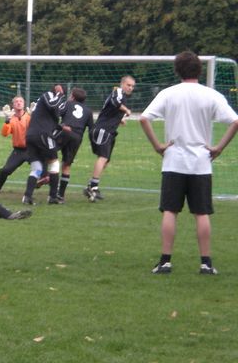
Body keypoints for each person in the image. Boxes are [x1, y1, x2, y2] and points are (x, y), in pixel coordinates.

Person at [140, 51, 238, 275]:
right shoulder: (210, 95)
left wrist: (158, 145)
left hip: (174, 161)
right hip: (201, 163)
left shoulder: (169, 93)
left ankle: (165, 261)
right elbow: (235, 121)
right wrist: (219, 148)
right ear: (199, 70)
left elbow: (145, 118)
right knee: (201, 213)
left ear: (177, 70)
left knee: (170, 211)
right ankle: (206, 263)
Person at [84, 75, 135, 202]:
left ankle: (90, 185)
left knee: (105, 161)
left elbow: (111, 110)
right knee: (103, 157)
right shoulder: (118, 91)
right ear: (122, 84)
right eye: (128, 85)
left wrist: (120, 119)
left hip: (110, 132)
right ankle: (93, 187)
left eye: (133, 86)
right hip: (102, 130)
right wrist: (126, 110)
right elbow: (115, 102)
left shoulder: (122, 97)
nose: (131, 88)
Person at [21, 84, 67, 205]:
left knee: (37, 168)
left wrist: (61, 127)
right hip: (42, 135)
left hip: (32, 135)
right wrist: (60, 94)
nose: (59, 90)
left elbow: (51, 117)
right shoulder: (48, 95)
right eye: (58, 89)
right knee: (54, 163)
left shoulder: (53, 103)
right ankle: (52, 197)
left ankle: (27, 196)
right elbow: (52, 105)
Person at [55, 87, 94, 203]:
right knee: (66, 165)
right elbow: (92, 128)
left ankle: (46, 178)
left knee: (49, 155)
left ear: (72, 96)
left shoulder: (67, 104)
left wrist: (60, 126)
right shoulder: (88, 111)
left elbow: (56, 113)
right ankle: (61, 195)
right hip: (77, 137)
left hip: (64, 132)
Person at [0, 95, 31, 192]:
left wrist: (34, 116)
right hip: (18, 151)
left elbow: (36, 129)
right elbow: (4, 134)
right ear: (13, 105)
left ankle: (54, 191)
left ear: (24, 104)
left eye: (21, 101)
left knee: (42, 169)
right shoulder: (11, 118)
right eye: (16, 101)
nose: (19, 103)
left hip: (31, 150)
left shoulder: (29, 117)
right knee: (5, 171)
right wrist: (7, 120)